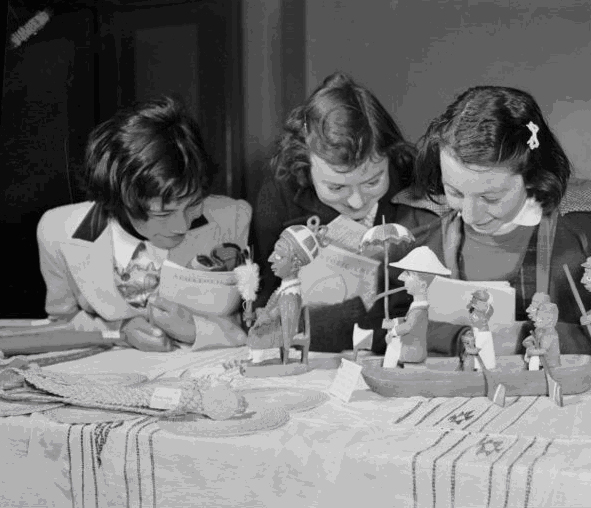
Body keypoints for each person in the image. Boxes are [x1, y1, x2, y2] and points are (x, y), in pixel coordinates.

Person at [398, 85, 591, 373]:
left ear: (533, 175)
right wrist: (460, 338)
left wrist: (518, 338)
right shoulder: (421, 243)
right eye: (453, 191)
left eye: (491, 198)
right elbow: (392, 324)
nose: (469, 214)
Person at [37, 96, 251, 352]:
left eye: (193, 204)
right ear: (121, 200)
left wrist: (196, 330)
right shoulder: (57, 231)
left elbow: (254, 321)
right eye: (162, 214)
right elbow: (64, 324)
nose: (181, 226)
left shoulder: (233, 218)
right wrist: (118, 331)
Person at [251, 71, 440, 353]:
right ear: (303, 162)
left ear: (391, 156)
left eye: (373, 181)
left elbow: (427, 304)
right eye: (336, 187)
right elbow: (262, 299)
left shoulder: (416, 189)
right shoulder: (279, 196)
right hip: (302, 356)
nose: (356, 201)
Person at [248, 216, 327, 364]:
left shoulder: (291, 294)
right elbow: (273, 309)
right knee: (254, 331)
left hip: (285, 331)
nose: (271, 258)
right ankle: (254, 360)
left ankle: (256, 362)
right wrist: (259, 314)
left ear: (295, 264)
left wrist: (266, 317)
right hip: (279, 326)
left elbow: (285, 318)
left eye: (279, 255)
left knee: (257, 335)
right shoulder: (284, 289)